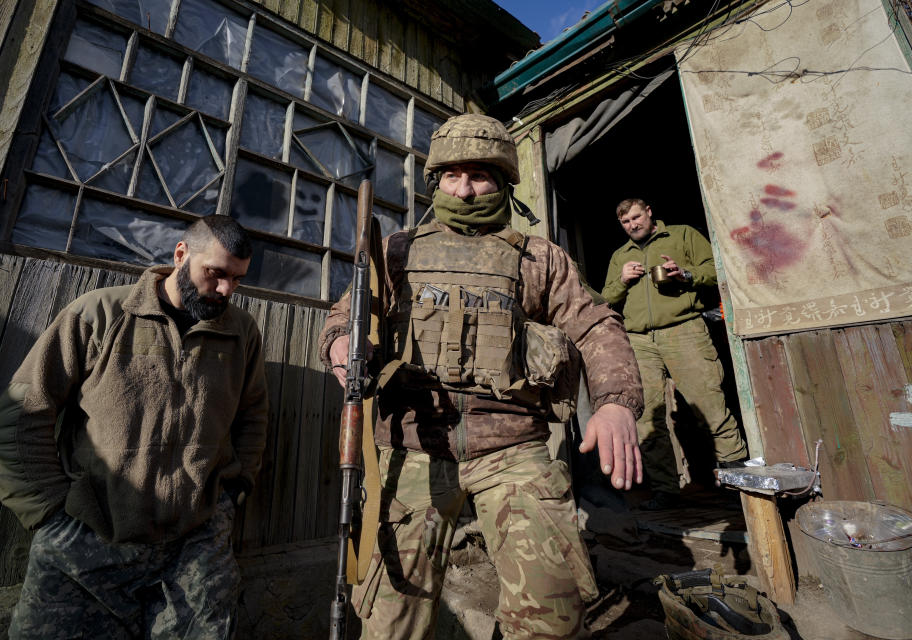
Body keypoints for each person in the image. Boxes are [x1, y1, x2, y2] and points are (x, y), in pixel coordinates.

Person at [319, 114, 645, 639]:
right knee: (389, 620)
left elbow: (595, 324)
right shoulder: (399, 250)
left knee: (553, 619)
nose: (465, 190)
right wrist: (340, 340)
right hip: (412, 445)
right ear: (436, 181)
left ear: (503, 181)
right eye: (452, 176)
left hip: (514, 447)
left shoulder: (539, 256)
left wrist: (614, 401)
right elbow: (348, 312)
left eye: (479, 175)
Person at [0, 215, 269, 638]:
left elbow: (253, 416)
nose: (227, 289)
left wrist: (231, 496)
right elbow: (19, 417)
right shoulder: (100, 314)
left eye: (237, 279)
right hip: (87, 546)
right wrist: (51, 516)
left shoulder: (240, 332)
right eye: (216, 273)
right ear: (180, 254)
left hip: (195, 548)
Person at [602, 198, 747, 510]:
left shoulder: (682, 236)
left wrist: (686, 274)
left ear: (650, 212)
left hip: (684, 329)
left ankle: (738, 483)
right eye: (626, 223)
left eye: (637, 218)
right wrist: (622, 280)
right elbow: (605, 299)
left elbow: (715, 269)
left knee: (709, 404)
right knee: (648, 417)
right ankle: (665, 489)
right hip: (638, 339)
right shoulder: (620, 256)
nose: (633, 225)